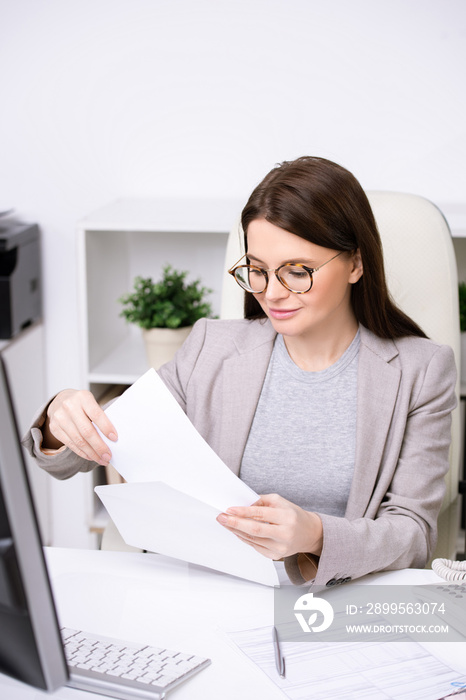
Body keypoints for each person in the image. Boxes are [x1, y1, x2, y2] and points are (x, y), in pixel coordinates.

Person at [23, 156, 457, 588]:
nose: (272, 293)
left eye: (297, 271)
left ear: (355, 264)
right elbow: (89, 448)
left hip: (333, 599)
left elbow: (413, 534)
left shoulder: (421, 371)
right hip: (217, 589)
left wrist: (316, 534)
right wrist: (63, 421)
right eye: (258, 271)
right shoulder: (213, 347)